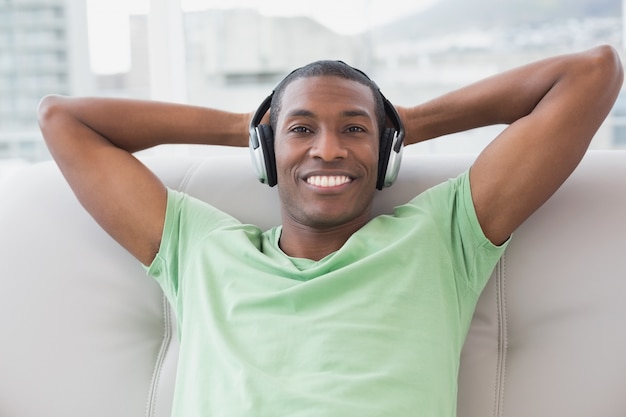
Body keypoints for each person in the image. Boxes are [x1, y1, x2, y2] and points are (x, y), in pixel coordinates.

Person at [38, 45, 622, 416]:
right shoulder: (200, 248)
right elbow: (65, 119)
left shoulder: (442, 237)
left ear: (384, 149)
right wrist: (249, 128)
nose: (328, 149)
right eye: (300, 130)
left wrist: (403, 120)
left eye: (354, 129)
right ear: (269, 150)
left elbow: (591, 73)